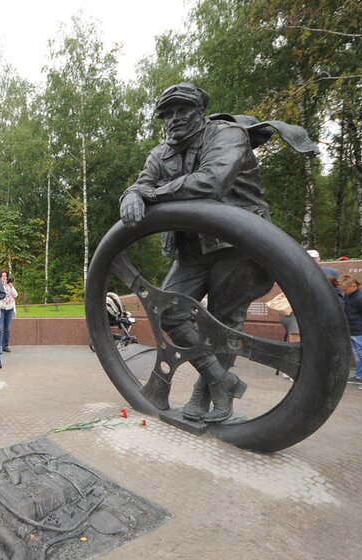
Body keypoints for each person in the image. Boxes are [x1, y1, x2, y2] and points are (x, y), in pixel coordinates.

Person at [120, 82, 280, 423]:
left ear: (199, 112)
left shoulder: (227, 136)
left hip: (236, 246)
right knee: (169, 313)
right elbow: (140, 185)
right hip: (191, 252)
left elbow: (211, 181)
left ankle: (204, 395)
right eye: (168, 114)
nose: (174, 119)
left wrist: (152, 194)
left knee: (222, 325)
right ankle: (219, 380)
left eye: (182, 111)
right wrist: (131, 195)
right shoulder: (159, 154)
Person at [338, 274, 362, 390]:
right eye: (342, 290)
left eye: (345, 289)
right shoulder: (348, 295)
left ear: (354, 286)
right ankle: (360, 376)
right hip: (351, 330)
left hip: (360, 331)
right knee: (357, 354)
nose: (343, 292)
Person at [0, 270, 18, 353]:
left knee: (7, 329)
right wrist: (3, 286)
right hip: (1, 309)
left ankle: (5, 346)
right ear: (0, 277)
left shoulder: (10, 286)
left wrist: (11, 287)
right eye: (2, 276)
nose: (4, 278)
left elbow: (15, 295)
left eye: (5, 276)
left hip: (10, 309)